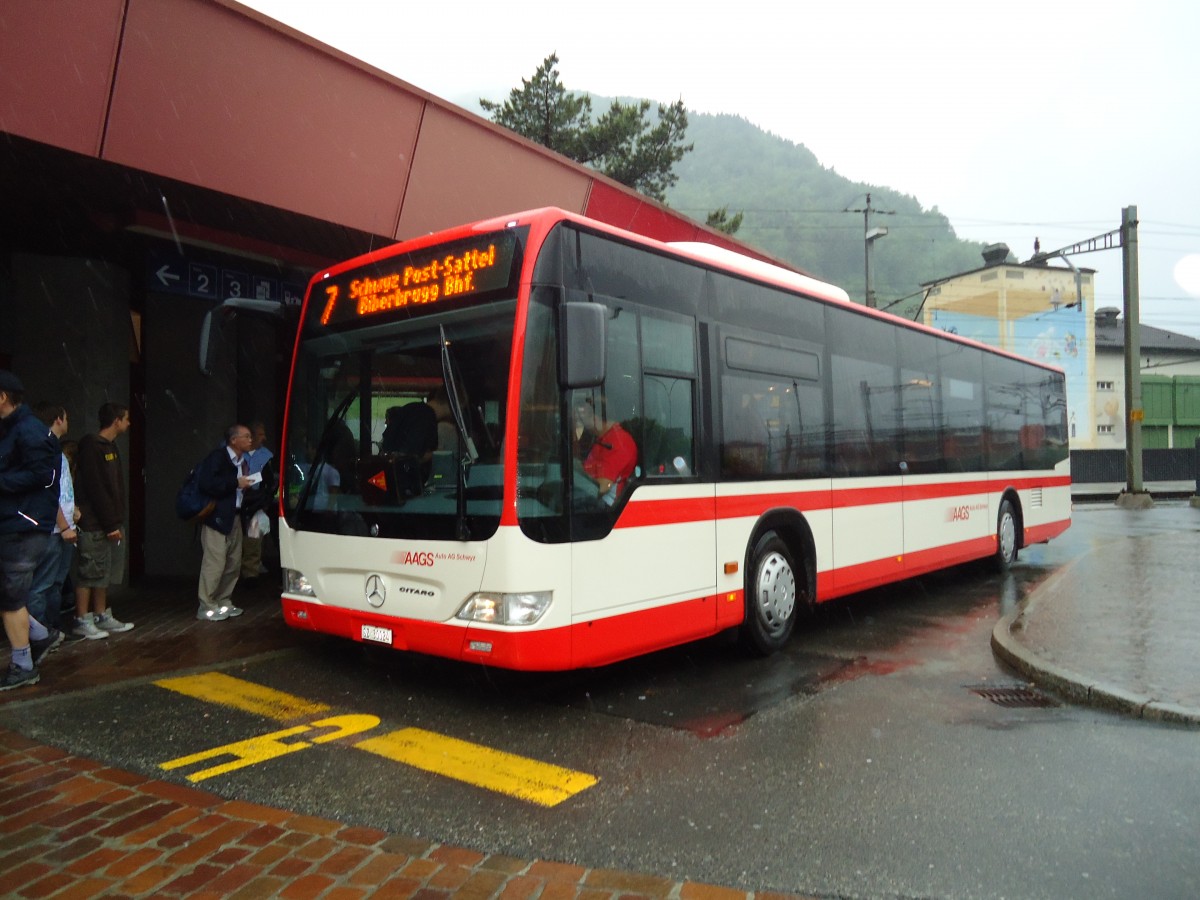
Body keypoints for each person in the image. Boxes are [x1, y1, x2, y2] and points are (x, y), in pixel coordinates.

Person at [0, 371, 65, 691]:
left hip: (24, 526)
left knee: (11, 597)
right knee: (8, 593)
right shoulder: (15, 429)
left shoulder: (28, 430)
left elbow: (43, 475)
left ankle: (23, 664)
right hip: (17, 523)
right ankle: (40, 635)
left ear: (2, 397)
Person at [71, 402, 134, 639]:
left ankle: (100, 614)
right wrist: (110, 523)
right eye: (126, 419)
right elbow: (96, 488)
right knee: (89, 571)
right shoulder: (92, 447)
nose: (128, 423)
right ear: (116, 420)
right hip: (95, 523)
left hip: (109, 521)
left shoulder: (111, 446)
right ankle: (81, 618)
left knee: (103, 572)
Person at [195, 424, 256, 622]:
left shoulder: (242, 461)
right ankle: (207, 605)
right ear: (233, 440)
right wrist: (235, 483)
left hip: (236, 515)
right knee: (215, 562)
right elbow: (206, 484)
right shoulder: (218, 458)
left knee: (233, 562)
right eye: (246, 437)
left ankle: (224, 601)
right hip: (216, 517)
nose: (250, 440)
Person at [28, 403, 79, 630]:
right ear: (58, 419)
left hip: (63, 526)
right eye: (66, 417)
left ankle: (53, 630)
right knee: (43, 585)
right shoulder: (46, 449)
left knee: (56, 583)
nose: (68, 421)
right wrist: (64, 524)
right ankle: (40, 633)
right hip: (53, 529)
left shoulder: (55, 449)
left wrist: (73, 509)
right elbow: (47, 492)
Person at [576, 397, 637, 505]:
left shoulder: (619, 442)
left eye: (584, 421)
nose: (584, 426)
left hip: (605, 507)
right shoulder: (601, 439)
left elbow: (602, 487)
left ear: (596, 418)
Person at [239, 421, 274, 580]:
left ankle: (250, 574)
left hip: (255, 503)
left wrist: (265, 501)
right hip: (235, 501)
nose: (264, 438)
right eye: (260, 434)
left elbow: (270, 481)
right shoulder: (235, 454)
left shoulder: (267, 456)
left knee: (254, 536)